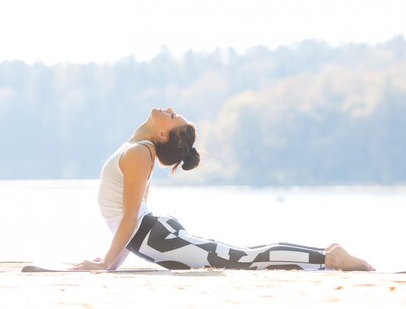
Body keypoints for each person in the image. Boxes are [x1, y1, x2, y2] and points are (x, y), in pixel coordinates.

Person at [73, 107, 374, 271]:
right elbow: (130, 220)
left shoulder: (140, 153)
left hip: (158, 238)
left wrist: (105, 263)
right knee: (241, 256)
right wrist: (108, 263)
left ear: (162, 133)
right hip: (154, 236)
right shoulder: (139, 151)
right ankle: (326, 254)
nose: (170, 109)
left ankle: (329, 257)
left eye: (173, 116)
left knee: (243, 258)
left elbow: (129, 220)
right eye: (175, 114)